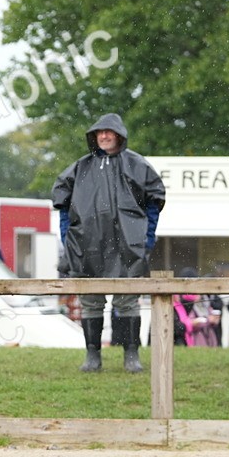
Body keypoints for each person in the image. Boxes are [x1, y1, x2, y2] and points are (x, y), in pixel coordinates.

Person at [53, 113, 166, 373]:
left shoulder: (137, 165)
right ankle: (93, 355)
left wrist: (146, 238)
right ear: (94, 136)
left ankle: (131, 354)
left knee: (126, 302)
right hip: (87, 248)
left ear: (119, 135)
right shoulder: (80, 168)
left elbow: (154, 202)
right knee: (91, 302)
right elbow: (62, 204)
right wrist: (67, 238)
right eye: (99, 132)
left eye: (109, 132)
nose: (104, 136)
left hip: (127, 246)